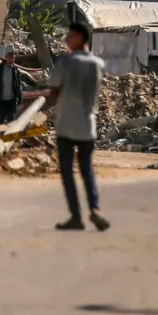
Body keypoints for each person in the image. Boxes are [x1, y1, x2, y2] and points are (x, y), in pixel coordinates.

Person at [31, 22, 109, 232]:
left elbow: (54, 92)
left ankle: (76, 216)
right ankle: (94, 208)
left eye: (70, 36)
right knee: (86, 170)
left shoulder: (65, 62)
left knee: (67, 172)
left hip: (66, 125)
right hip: (87, 125)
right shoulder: (96, 63)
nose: (66, 40)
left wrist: (42, 100)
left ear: (79, 38)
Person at [0, 50, 22, 127]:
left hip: (12, 100)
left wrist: (20, 100)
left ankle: (8, 137)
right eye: (10, 58)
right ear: (6, 58)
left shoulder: (15, 71)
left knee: (11, 120)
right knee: (0, 119)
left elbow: (18, 86)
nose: (12, 59)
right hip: (1, 100)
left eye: (13, 58)